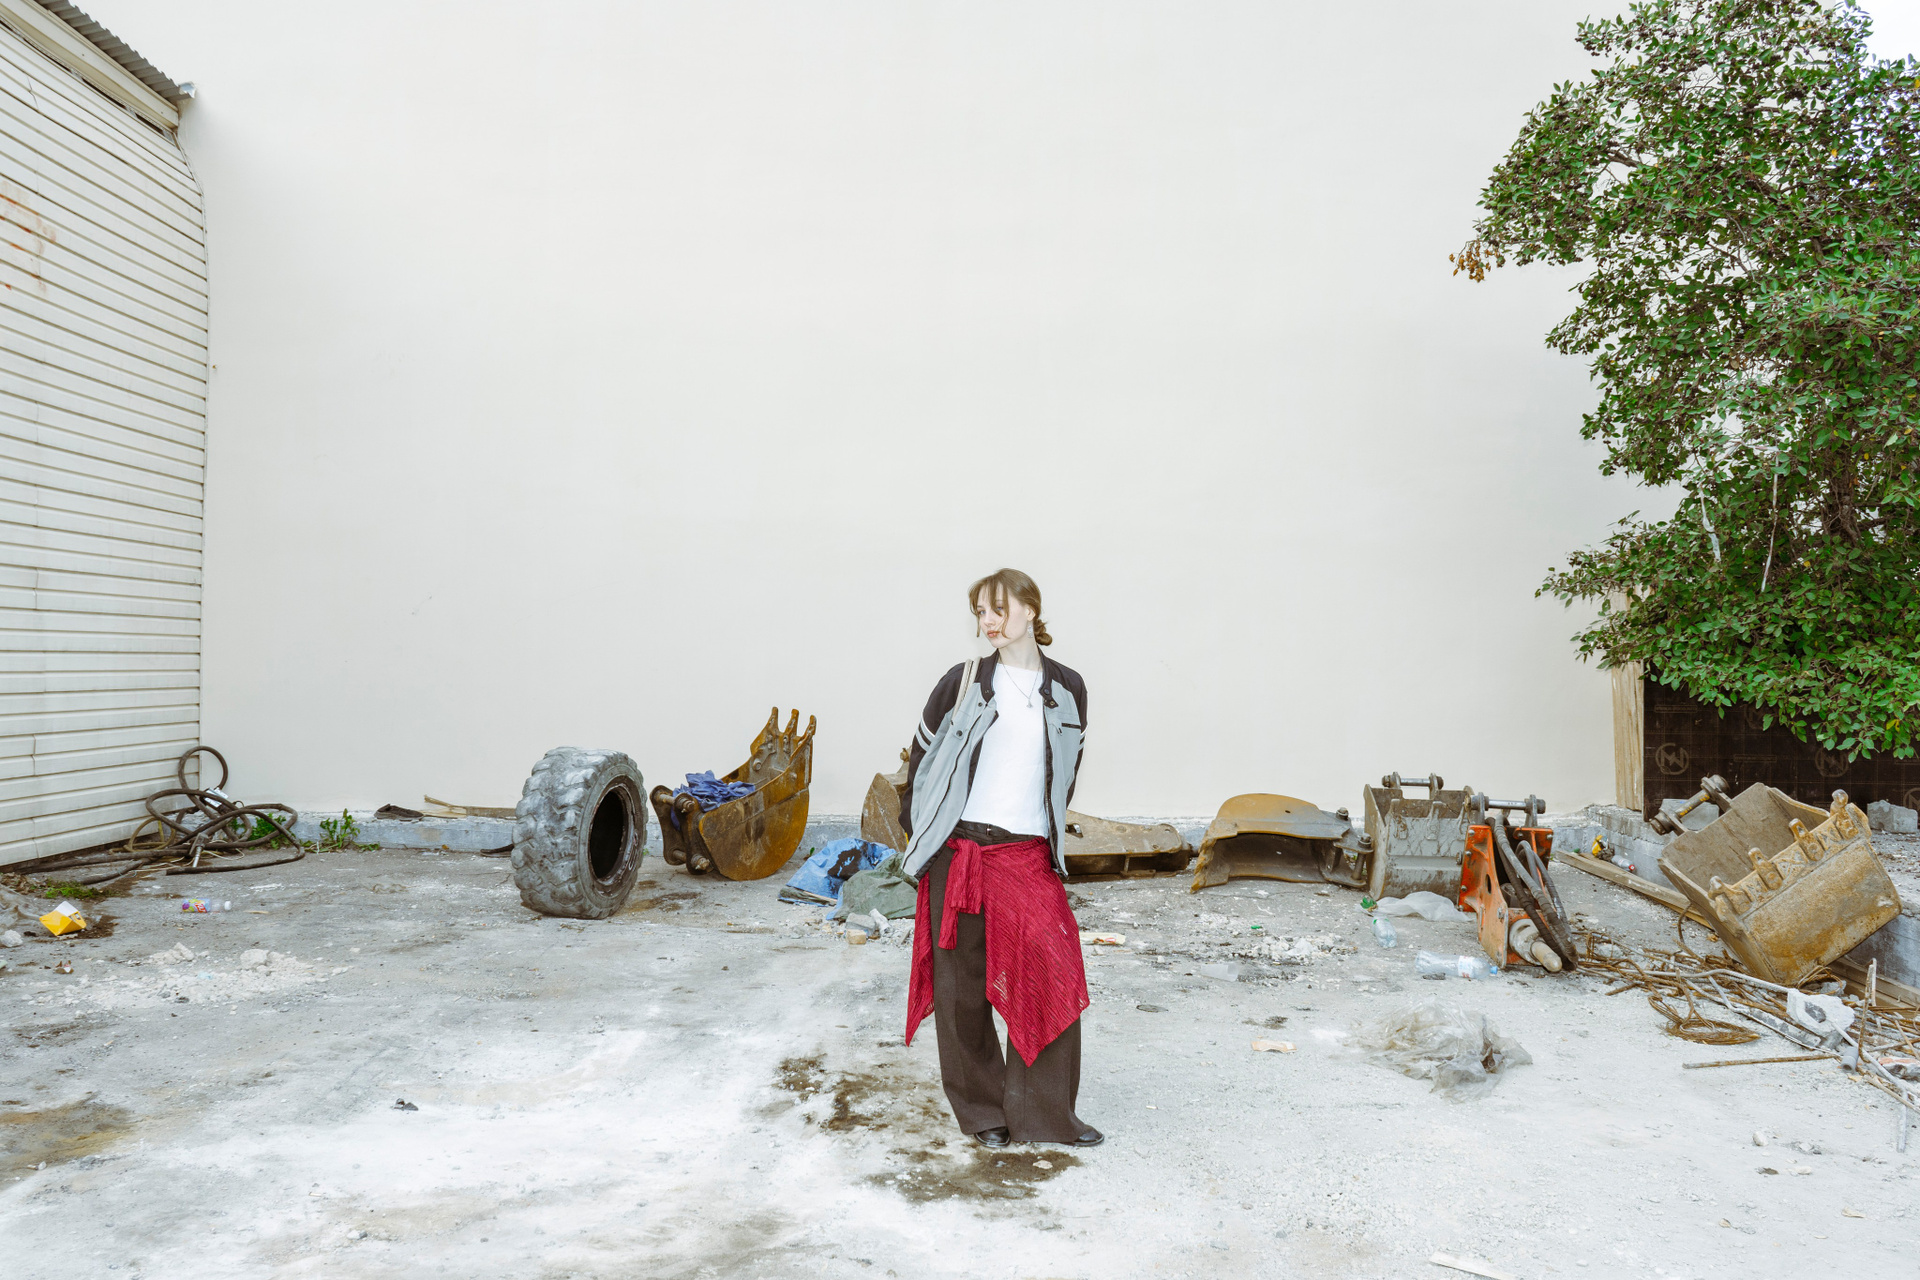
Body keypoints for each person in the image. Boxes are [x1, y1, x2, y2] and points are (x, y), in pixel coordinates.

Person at [899, 568, 1102, 1149]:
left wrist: (1041, 826)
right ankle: (983, 1111)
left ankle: (1046, 1114)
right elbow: (922, 761)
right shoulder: (962, 682)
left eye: (998, 609)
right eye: (980, 613)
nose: (988, 622)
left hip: (1025, 852)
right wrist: (924, 833)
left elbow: (1065, 770)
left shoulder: (1068, 688)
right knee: (961, 989)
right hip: (959, 849)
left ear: (1030, 609)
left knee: (1053, 973)